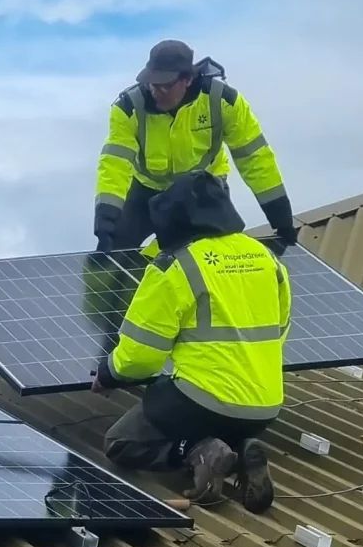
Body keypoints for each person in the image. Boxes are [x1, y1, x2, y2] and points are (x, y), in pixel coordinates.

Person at [95, 170, 291, 510]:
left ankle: (200, 451)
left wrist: (108, 373)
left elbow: (141, 354)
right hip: (266, 406)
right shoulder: (265, 257)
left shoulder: (178, 265)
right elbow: (281, 327)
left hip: (199, 402)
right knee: (223, 419)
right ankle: (241, 451)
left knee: (120, 442)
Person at [94, 38, 297, 254]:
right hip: (147, 190)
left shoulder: (223, 101)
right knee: (112, 252)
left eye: (166, 85)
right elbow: (115, 164)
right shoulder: (128, 109)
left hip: (203, 190)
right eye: (153, 83)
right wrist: (106, 221)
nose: (157, 91)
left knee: (209, 256)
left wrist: (280, 217)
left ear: (187, 79)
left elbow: (255, 159)